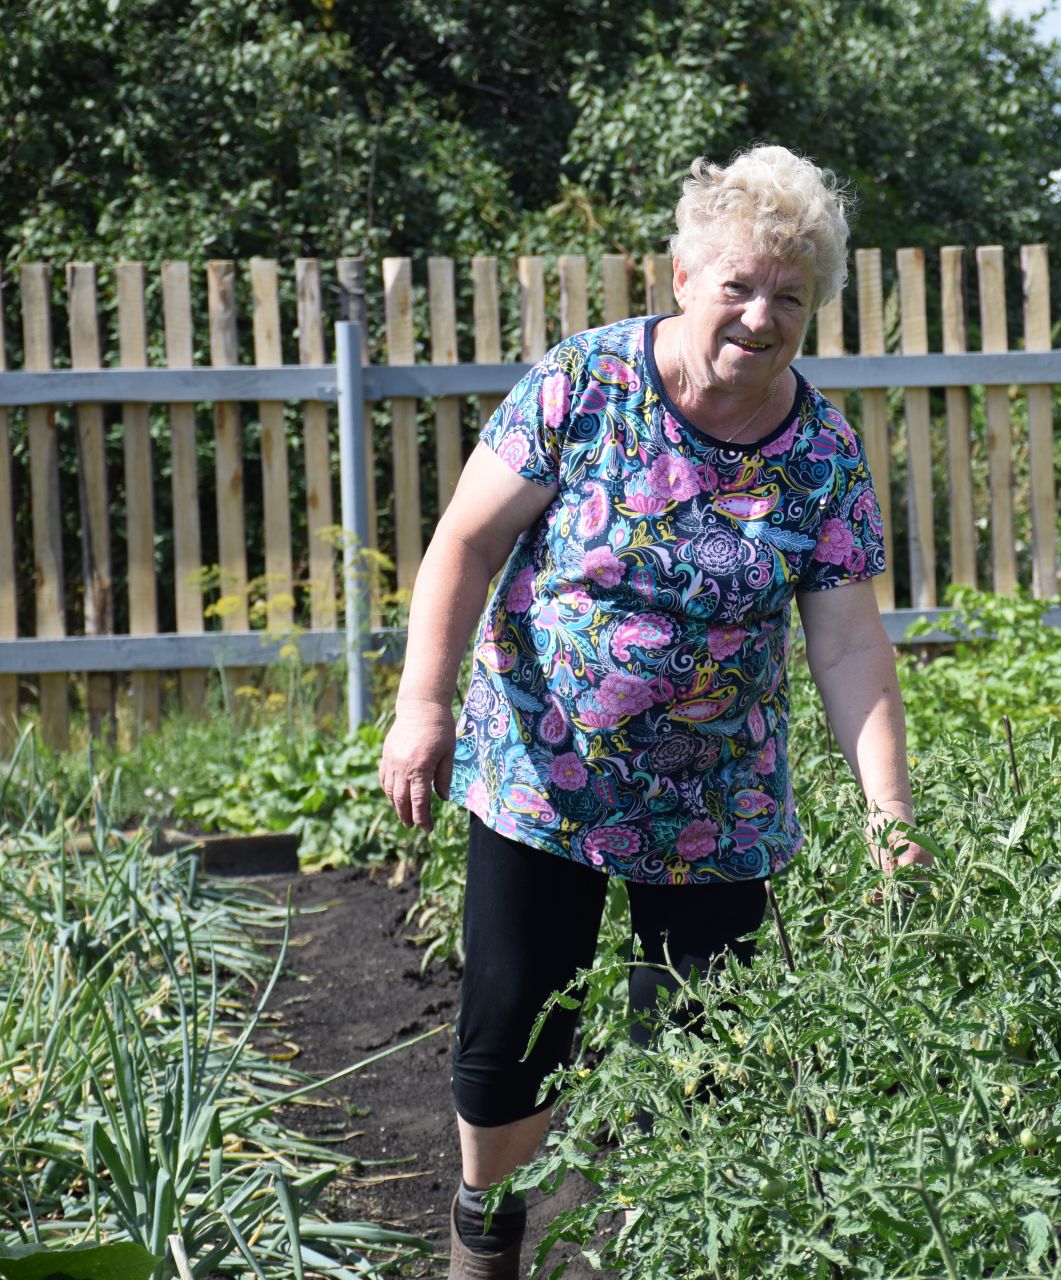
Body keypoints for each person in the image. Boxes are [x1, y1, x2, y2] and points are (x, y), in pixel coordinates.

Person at [377, 144, 929, 1280]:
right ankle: (487, 1239)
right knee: (513, 1023)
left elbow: (847, 641)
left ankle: (669, 1243)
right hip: (543, 777)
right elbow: (466, 544)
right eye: (739, 284)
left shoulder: (819, 454)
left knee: (700, 1051)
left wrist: (890, 811)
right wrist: (423, 705)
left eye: (790, 295)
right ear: (684, 275)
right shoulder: (583, 386)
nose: (761, 315)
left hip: (718, 806)